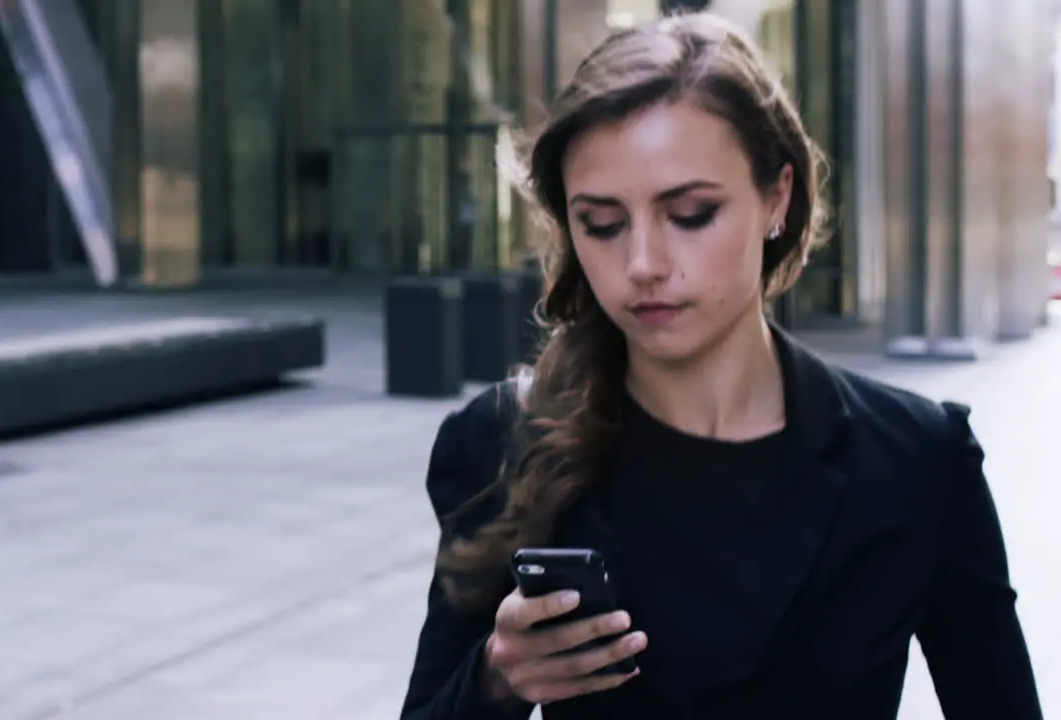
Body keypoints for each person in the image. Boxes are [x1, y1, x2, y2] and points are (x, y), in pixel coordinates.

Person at [399, 12, 1041, 720]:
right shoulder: (501, 442)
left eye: (692, 213)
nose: (642, 265)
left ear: (777, 197)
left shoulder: (919, 460)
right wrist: (496, 678)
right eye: (602, 224)